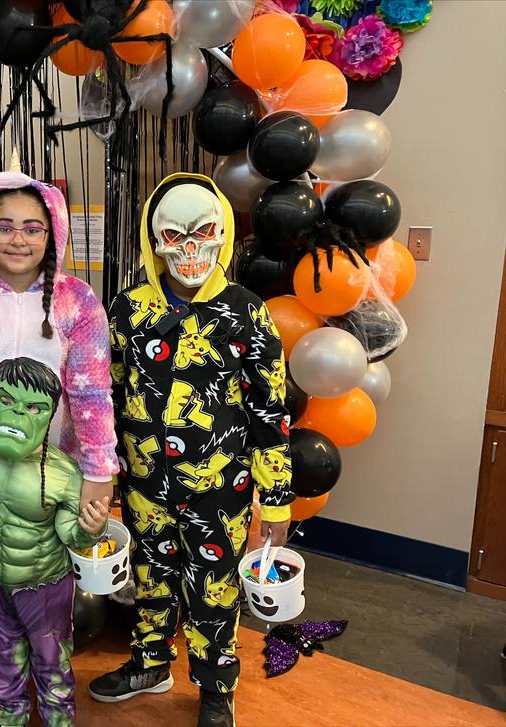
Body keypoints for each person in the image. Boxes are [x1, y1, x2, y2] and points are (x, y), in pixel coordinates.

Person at [89, 174, 294, 727]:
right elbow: (106, 396)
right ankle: (150, 664)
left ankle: (215, 686)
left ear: (222, 235)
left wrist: (277, 499)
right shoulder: (128, 310)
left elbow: (270, 412)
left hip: (220, 488)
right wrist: (104, 474)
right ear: (153, 240)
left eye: (203, 232)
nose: (189, 249)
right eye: (174, 235)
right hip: (145, 482)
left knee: (214, 589)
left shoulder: (246, 311)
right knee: (151, 576)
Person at [0, 170, 118, 523]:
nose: (18, 240)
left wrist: (98, 472)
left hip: (57, 476)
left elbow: (92, 394)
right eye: (4, 228)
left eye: (33, 229)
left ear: (52, 234)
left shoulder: (78, 301)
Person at [0, 357, 110, 727]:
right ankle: (11, 712)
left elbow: (70, 534)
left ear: (50, 417)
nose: (18, 414)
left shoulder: (63, 472)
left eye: (34, 408)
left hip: (44, 586)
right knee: (4, 653)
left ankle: (58, 716)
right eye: (7, 400)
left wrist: (92, 528)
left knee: (51, 659)